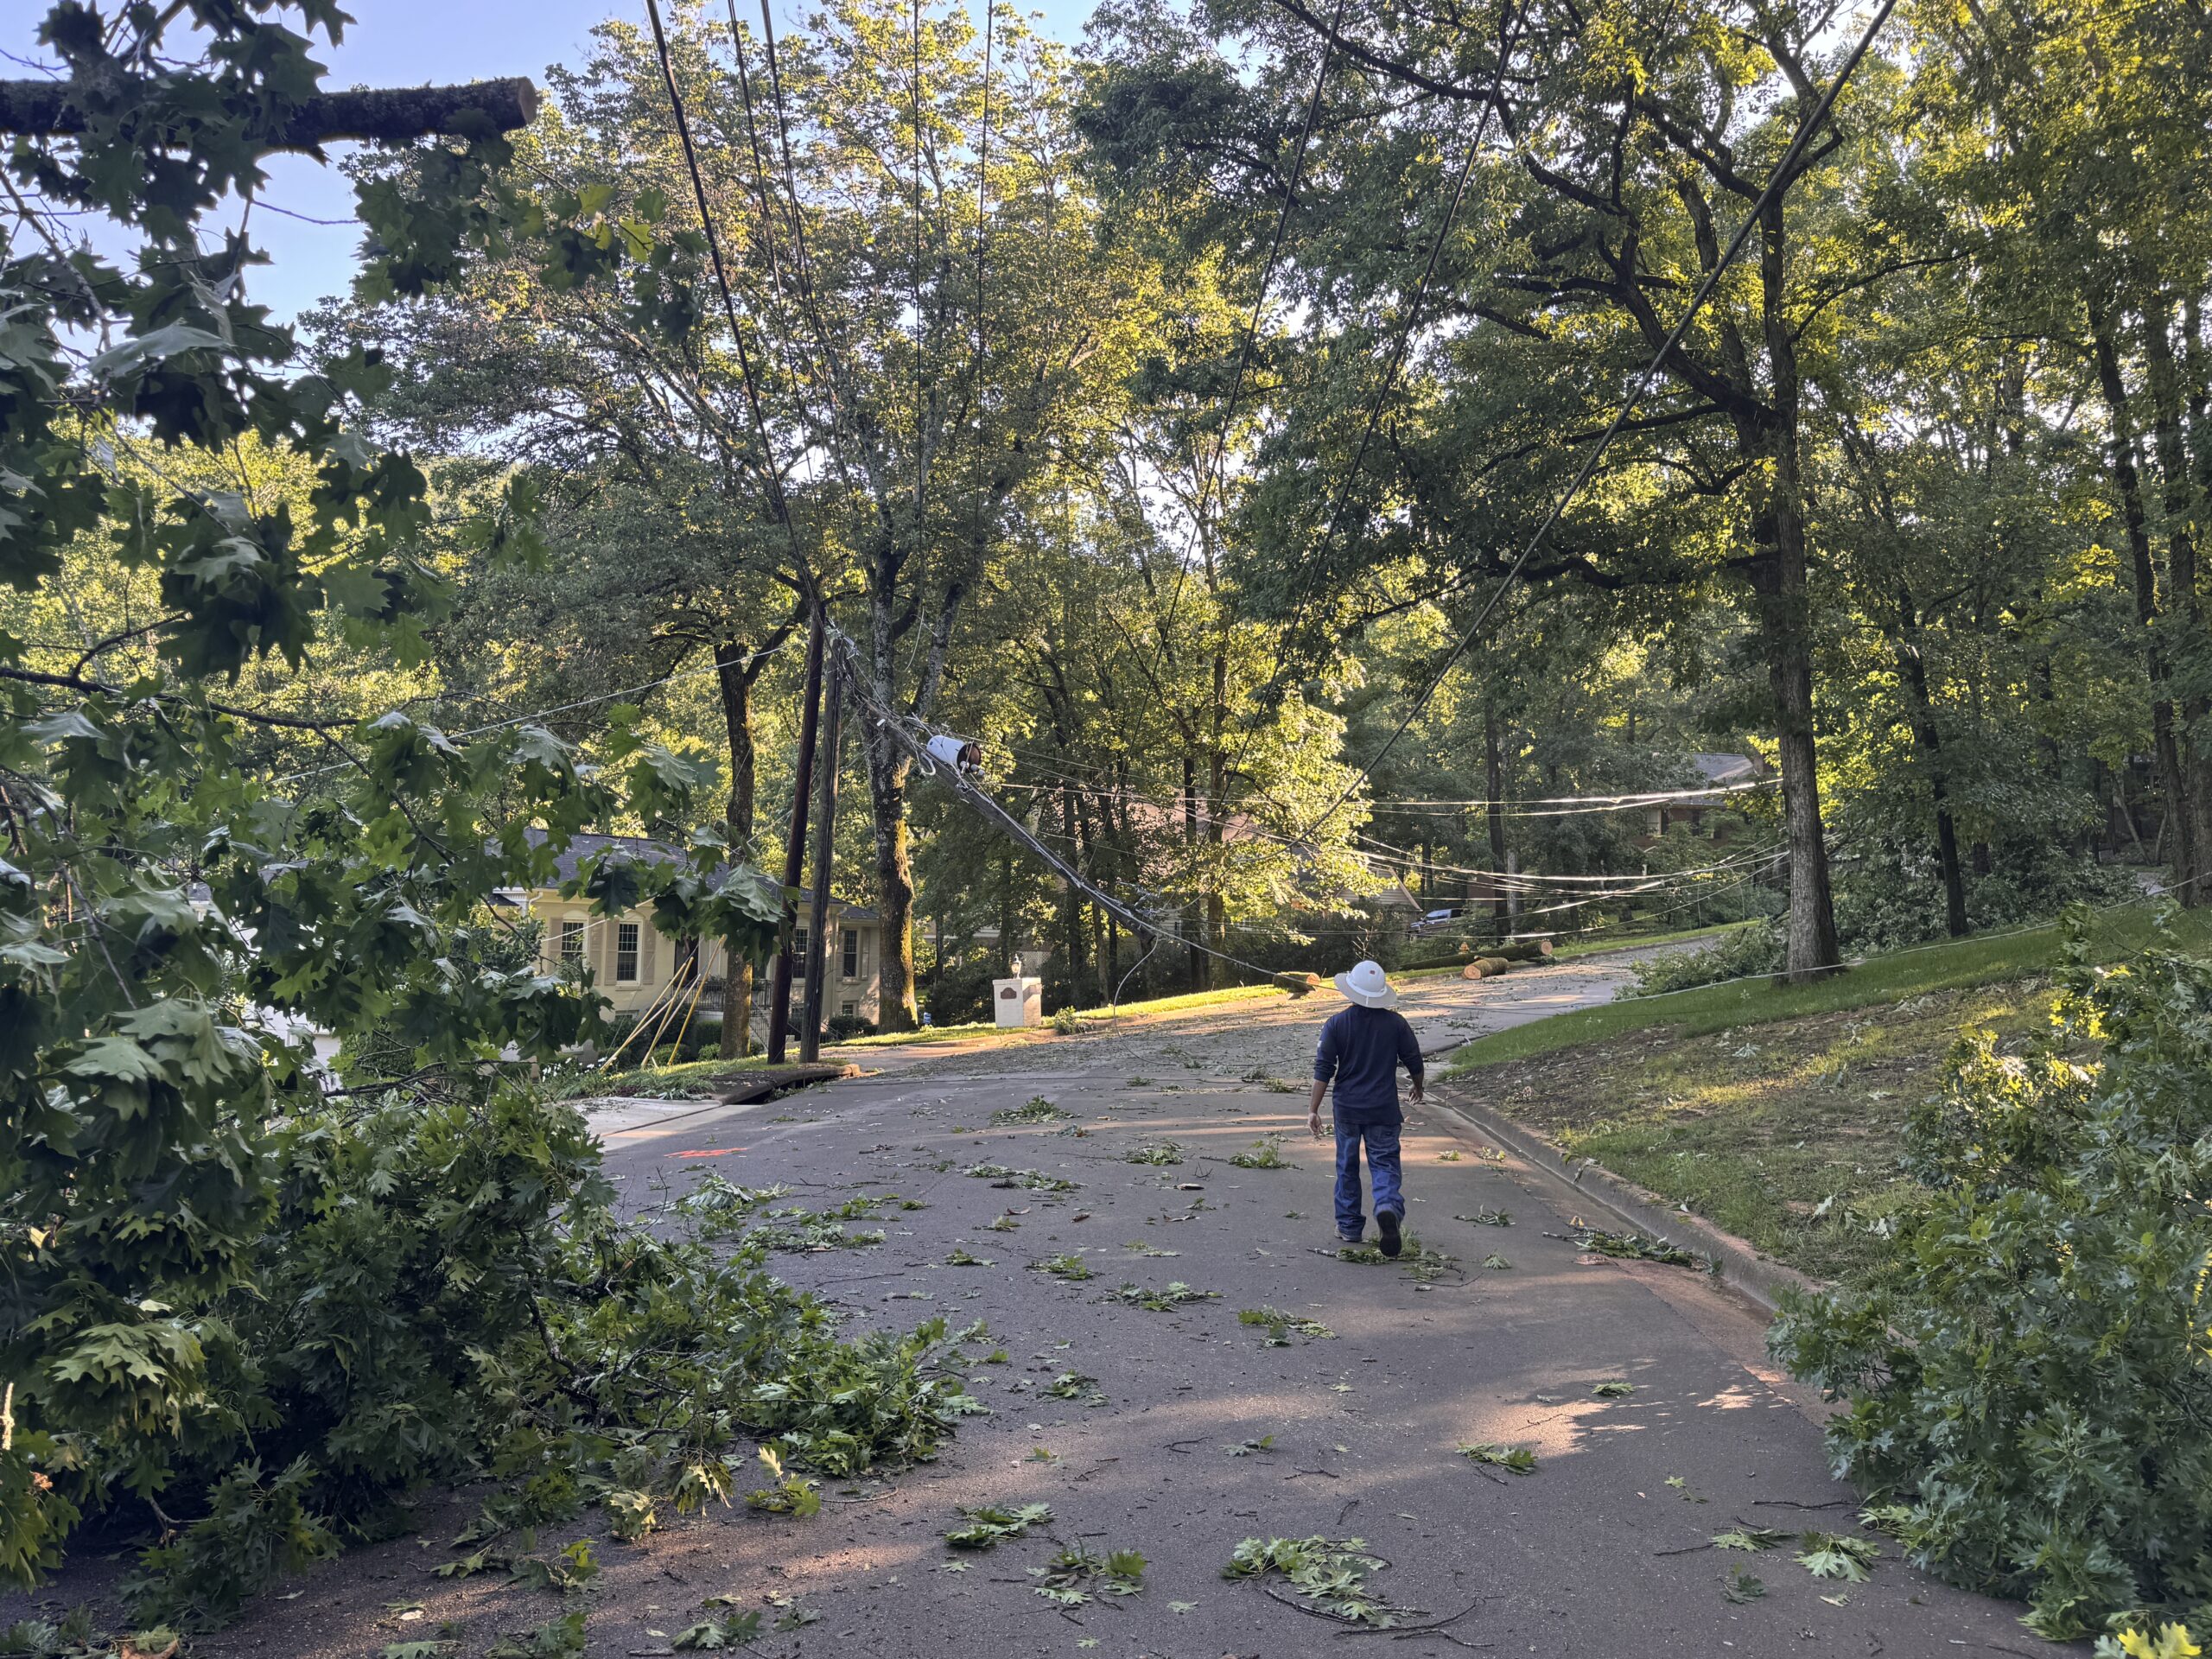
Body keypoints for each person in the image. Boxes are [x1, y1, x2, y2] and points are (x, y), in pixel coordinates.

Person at [1307, 959, 1424, 1257]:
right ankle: (1387, 1207)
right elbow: (1414, 1060)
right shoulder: (1397, 1024)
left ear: (1352, 991)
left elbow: (1324, 1068)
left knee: (1346, 1166)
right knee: (1384, 1164)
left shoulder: (1336, 1024)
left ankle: (1348, 1226)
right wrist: (1418, 1086)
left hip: (1347, 1108)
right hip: (1383, 1109)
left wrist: (1313, 1109)